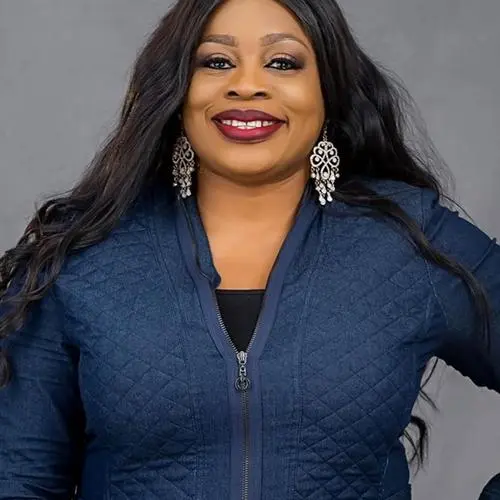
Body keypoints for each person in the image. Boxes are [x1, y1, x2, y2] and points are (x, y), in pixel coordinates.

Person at [0, 0, 498, 498]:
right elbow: (18, 477)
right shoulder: (81, 254)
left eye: (283, 62)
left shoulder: (410, 239)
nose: (246, 84)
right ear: (178, 89)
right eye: (217, 61)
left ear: (327, 91)